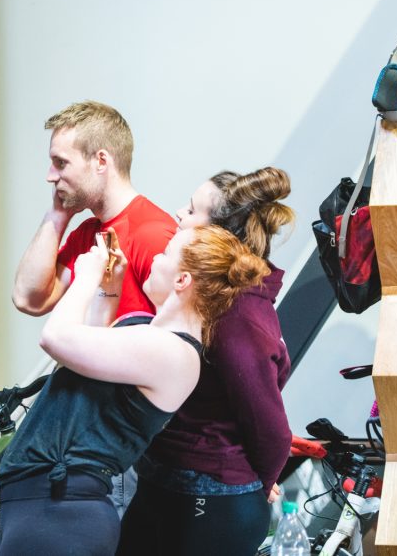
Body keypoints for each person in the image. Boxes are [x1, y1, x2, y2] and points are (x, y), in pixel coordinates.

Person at [0, 226, 270, 556]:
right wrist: (109, 291)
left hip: (60, 514)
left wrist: (86, 275)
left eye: (166, 253)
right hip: (48, 510)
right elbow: (83, 369)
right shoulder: (151, 335)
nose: (156, 256)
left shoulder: (174, 353)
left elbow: (55, 338)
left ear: (182, 281)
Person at [117, 167, 295, 556]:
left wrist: (254, 484)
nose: (179, 213)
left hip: (211, 496)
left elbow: (271, 429)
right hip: (166, 483)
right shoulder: (209, 300)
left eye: (193, 210)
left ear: (219, 234)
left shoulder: (236, 314)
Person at [12, 101, 176, 321]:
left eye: (61, 163)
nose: (50, 176)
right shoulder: (87, 233)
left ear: (100, 161)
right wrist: (58, 215)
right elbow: (28, 299)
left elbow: (180, 338)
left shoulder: (153, 234)